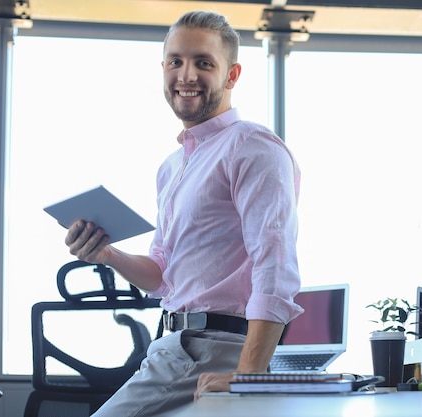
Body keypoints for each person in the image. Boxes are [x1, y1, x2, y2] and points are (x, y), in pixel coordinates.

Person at [64, 10, 303, 417]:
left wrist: (248, 376)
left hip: (211, 351)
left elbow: (275, 268)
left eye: (203, 63)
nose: (186, 75)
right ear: (163, 69)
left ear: (232, 75)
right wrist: (108, 254)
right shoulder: (173, 166)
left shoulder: (252, 147)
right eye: (175, 61)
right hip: (172, 347)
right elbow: (162, 276)